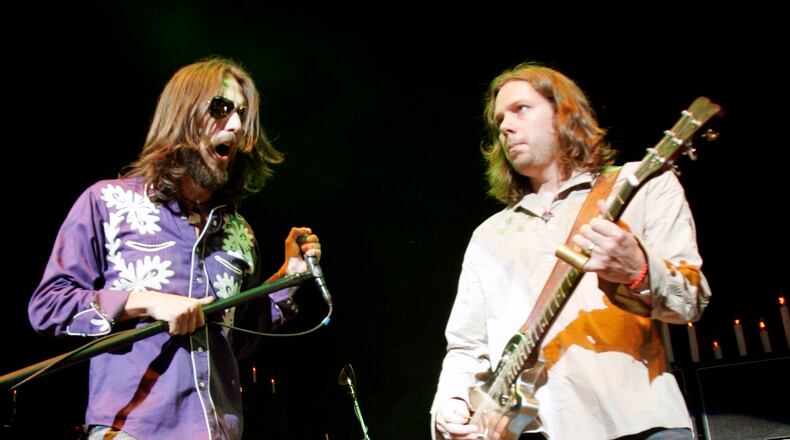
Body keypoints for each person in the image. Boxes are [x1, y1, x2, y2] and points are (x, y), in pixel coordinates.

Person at [28, 57, 322, 440]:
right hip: (131, 429)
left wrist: (289, 277)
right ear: (183, 114)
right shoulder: (107, 203)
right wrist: (145, 301)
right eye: (221, 108)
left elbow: (238, 338)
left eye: (242, 114)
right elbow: (49, 307)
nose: (235, 125)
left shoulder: (239, 233)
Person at [431, 62, 711, 440]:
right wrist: (450, 401)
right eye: (499, 121)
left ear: (565, 114)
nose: (506, 127)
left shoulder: (641, 187)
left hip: (638, 425)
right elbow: (466, 345)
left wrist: (639, 270)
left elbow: (692, 301)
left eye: (521, 110)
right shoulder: (488, 235)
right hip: (528, 431)